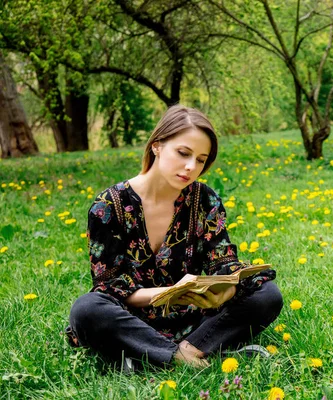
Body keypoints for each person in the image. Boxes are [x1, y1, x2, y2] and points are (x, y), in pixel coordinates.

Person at [66, 105, 283, 372]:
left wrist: (224, 290)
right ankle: (191, 357)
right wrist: (169, 294)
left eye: (201, 160)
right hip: (134, 321)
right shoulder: (108, 206)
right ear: (157, 146)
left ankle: (165, 356)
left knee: (267, 293)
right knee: (86, 310)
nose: (191, 167)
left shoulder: (204, 199)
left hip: (195, 318)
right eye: (183, 153)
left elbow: (223, 262)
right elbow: (110, 286)